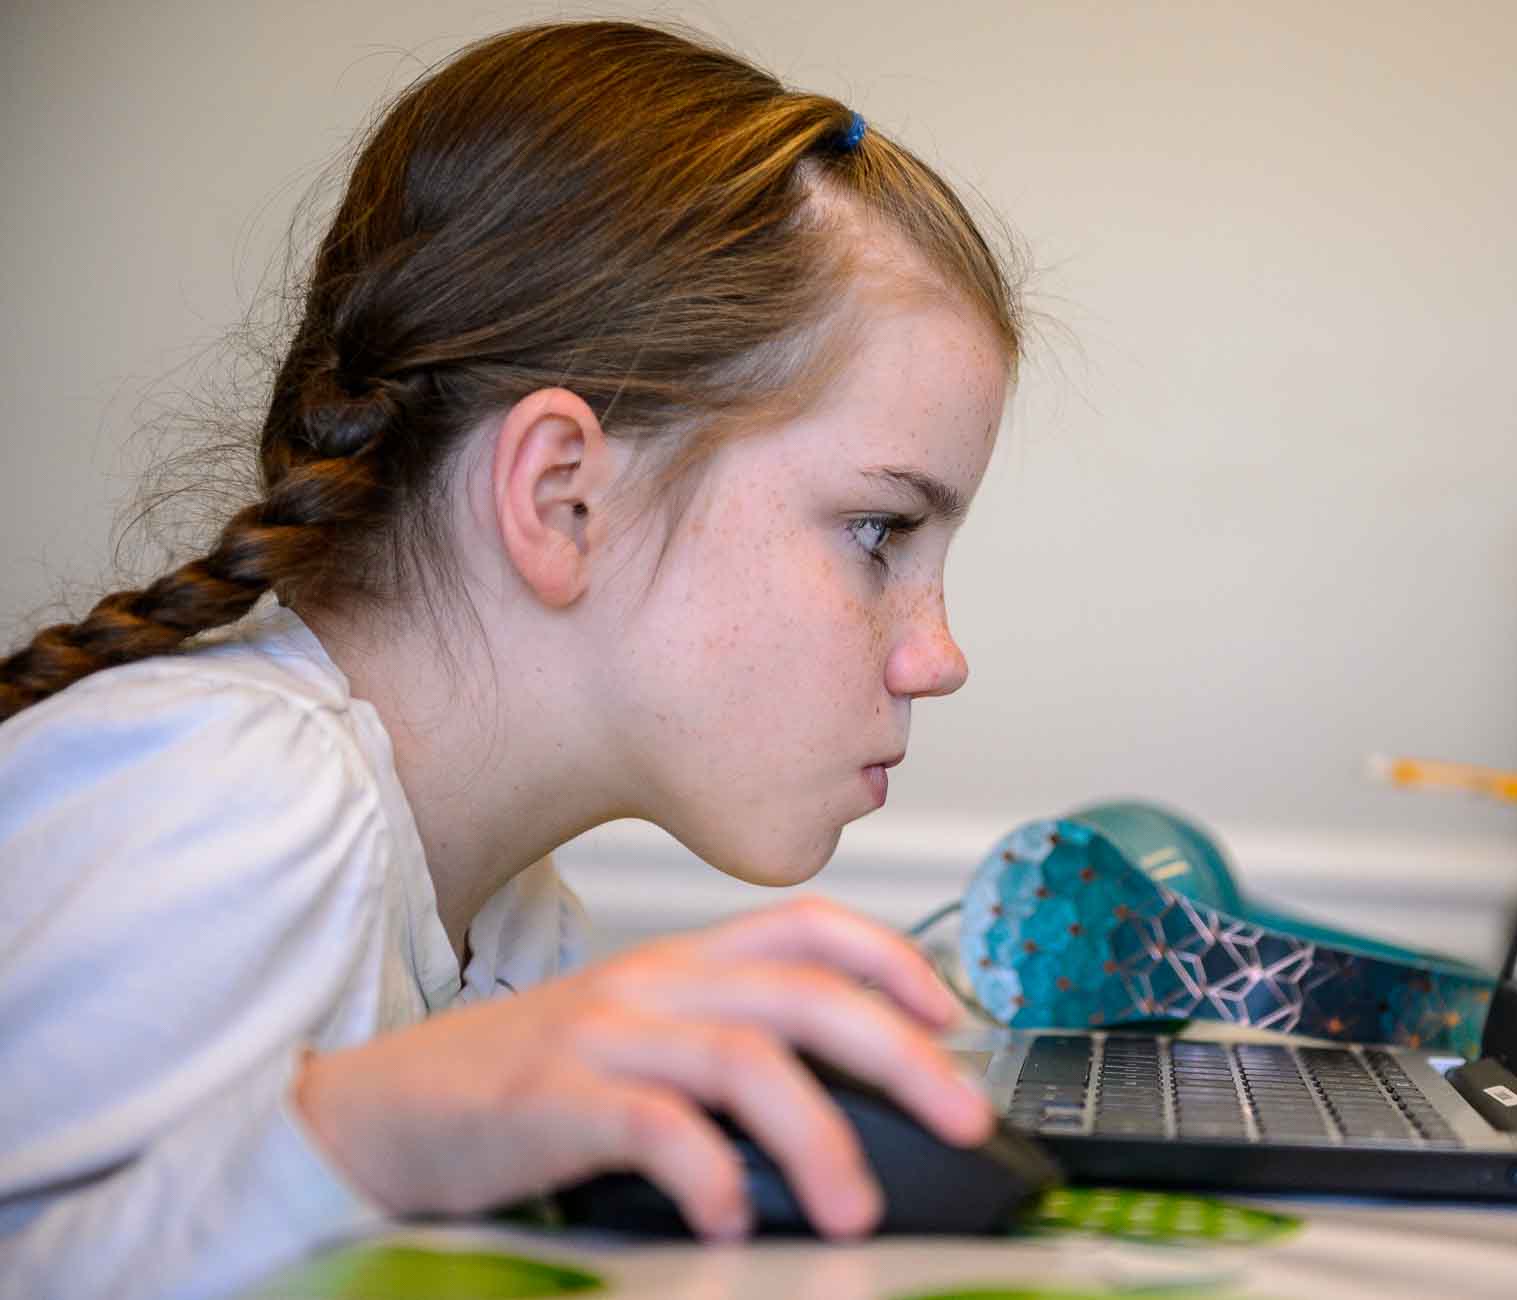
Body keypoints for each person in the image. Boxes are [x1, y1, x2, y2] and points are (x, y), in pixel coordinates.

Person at [0, 21, 1019, 1299]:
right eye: (879, 531)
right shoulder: (226, 800)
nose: (938, 655)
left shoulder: (519, 923)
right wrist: (362, 1133)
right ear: (559, 498)